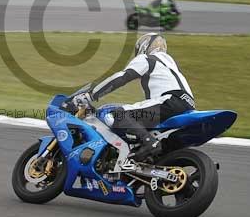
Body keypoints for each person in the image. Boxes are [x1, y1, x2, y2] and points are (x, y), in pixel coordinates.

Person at [81, 33, 195, 162]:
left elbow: (121, 77)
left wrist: (91, 95)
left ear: (144, 46)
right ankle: (149, 156)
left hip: (169, 102)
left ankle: (149, 143)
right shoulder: (171, 64)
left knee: (117, 115)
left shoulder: (147, 58)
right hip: (187, 105)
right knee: (138, 120)